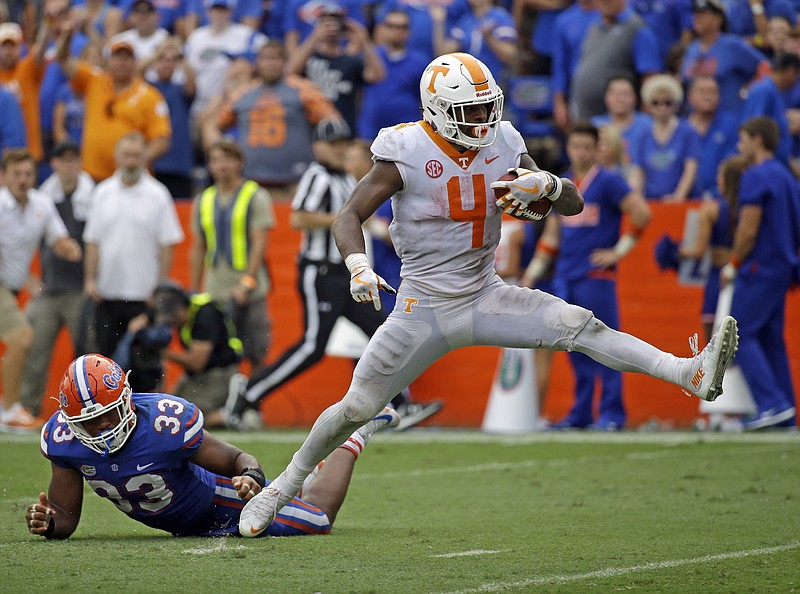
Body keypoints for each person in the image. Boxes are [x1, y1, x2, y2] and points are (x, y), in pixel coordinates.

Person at [237, 53, 740, 536]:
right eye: (469, 111)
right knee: (355, 407)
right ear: (437, 111)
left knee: (581, 326)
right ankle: (282, 487)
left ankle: (686, 372)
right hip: (423, 307)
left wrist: (546, 181)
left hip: (485, 294)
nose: (482, 120)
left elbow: (571, 202)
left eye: (486, 107)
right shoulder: (406, 149)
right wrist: (358, 265)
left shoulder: (503, 138)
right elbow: (349, 215)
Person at [25, 353, 400, 539]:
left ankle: (353, 434)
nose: (103, 426)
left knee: (318, 520)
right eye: (89, 422)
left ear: (125, 399)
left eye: (108, 414)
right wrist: (51, 523)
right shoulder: (64, 443)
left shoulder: (164, 423)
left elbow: (238, 458)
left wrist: (250, 477)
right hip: (184, 525)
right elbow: (65, 514)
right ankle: (297, 483)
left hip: (219, 503)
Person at [523, 122, 651, 430]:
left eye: (586, 147)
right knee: (574, 350)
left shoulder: (607, 181)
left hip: (596, 276)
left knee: (606, 345)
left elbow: (641, 213)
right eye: (575, 146)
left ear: (596, 149)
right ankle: (580, 414)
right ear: (568, 148)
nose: (580, 152)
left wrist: (618, 252)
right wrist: (531, 275)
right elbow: (552, 237)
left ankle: (611, 414)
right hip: (565, 277)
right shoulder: (564, 184)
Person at [723, 117, 799, 430]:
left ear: (757, 140)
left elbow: (748, 228)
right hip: (782, 264)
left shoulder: (755, 176)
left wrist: (733, 263)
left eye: (742, 139)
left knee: (738, 335)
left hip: (759, 266)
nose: (739, 146)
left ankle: (771, 403)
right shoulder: (786, 176)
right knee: (770, 339)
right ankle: (786, 411)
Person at [0, 149, 82, 432]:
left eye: (28, 174)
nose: (23, 180)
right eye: (16, 174)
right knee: (22, 338)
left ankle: (8, 407)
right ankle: (10, 409)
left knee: (19, 339)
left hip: (9, 289)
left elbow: (56, 237)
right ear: (4, 176)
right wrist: (28, 280)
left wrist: (68, 248)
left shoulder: (41, 203)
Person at [83, 132, 184, 358]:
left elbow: (167, 245)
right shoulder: (102, 193)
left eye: (136, 155)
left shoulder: (158, 194)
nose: (131, 161)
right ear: (117, 157)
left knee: (145, 364)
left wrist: (159, 287)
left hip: (143, 296)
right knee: (105, 363)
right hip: (107, 294)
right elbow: (92, 241)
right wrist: (90, 280)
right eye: (126, 155)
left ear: (145, 158)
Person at [18, 141, 95, 418]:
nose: (68, 165)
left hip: (79, 291)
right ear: (54, 164)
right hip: (49, 290)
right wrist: (28, 278)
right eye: (63, 160)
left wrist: (92, 281)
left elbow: (99, 242)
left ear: (79, 162)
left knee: (87, 359)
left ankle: (91, 412)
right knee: (33, 353)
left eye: (73, 159)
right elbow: (20, 240)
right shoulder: (42, 198)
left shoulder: (93, 196)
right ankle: (26, 410)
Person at [211, 40, 340, 200]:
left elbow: (333, 122)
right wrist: (226, 157)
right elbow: (216, 126)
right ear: (257, 63)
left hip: (295, 180)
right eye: (266, 58)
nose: (270, 63)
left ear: (285, 62)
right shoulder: (242, 93)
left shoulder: (304, 89)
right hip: (251, 178)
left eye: (275, 58)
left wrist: (322, 149)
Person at [189, 139, 275, 374]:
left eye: (227, 159)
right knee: (222, 354)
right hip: (215, 290)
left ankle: (254, 407)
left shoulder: (255, 196)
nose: (221, 165)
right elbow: (199, 247)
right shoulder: (203, 199)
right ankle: (229, 407)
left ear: (239, 162)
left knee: (257, 351)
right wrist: (194, 290)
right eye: (215, 160)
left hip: (250, 291)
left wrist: (246, 283)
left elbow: (260, 244)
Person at [55, 27, 172, 182]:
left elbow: (162, 139)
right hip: (92, 175)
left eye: (127, 57)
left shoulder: (150, 96)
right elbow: (63, 60)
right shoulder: (94, 80)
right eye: (117, 57)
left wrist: (137, 160)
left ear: (135, 62)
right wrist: (67, 37)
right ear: (108, 61)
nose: (122, 62)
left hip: (130, 178)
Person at [151, 281, 243, 428]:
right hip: (196, 376)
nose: (172, 324)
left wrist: (162, 352)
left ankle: (231, 415)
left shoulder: (205, 314)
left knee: (183, 418)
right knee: (165, 410)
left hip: (219, 373)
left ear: (180, 308)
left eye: (172, 318)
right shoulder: (189, 311)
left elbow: (197, 362)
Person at [285, 5, 385, 133]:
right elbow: (290, 73)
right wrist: (314, 37)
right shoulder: (308, 57)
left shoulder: (351, 60)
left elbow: (378, 75)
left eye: (335, 23)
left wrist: (364, 40)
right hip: (310, 128)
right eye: (325, 23)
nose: (331, 28)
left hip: (345, 128)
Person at [569, 0, 661, 121]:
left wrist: (646, 115)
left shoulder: (636, 28)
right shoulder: (594, 27)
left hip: (619, 121)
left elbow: (650, 75)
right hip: (586, 116)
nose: (605, 2)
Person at [628, 74, 701, 202]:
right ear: (648, 105)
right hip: (651, 202)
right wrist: (635, 198)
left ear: (676, 104)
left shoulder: (687, 131)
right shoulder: (643, 134)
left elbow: (690, 169)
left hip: (682, 202)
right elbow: (638, 171)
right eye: (656, 103)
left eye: (667, 102)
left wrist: (678, 197)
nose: (662, 108)